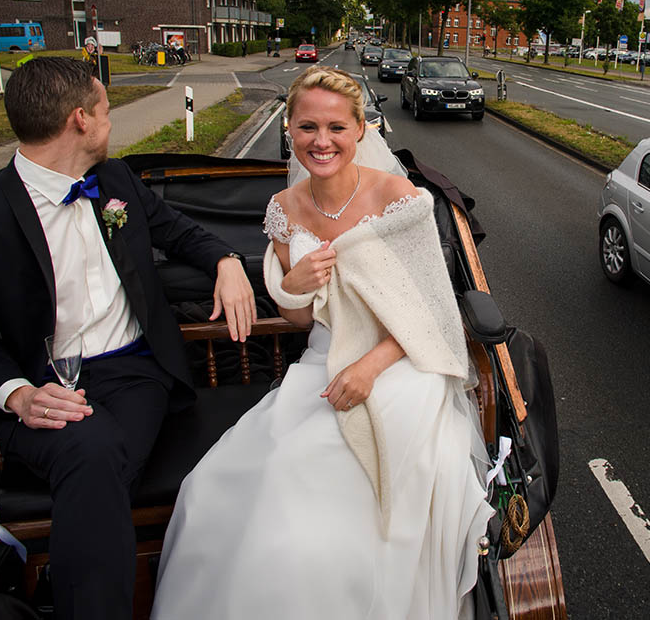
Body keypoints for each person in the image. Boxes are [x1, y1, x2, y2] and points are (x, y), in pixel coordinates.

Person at [0, 57, 256, 620]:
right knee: (92, 450)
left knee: (96, 452)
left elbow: (179, 232)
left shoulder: (117, 182)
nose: (109, 122)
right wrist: (20, 396)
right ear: (81, 120)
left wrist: (225, 259)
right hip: (40, 389)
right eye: (106, 110)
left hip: (135, 375)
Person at [152, 67, 492, 619]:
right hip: (321, 361)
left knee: (330, 501)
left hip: (400, 364)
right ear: (289, 128)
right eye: (307, 126)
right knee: (215, 489)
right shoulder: (285, 210)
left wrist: (369, 370)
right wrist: (294, 285)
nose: (322, 141)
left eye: (336, 126)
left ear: (361, 129)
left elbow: (432, 312)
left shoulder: (399, 197)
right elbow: (298, 320)